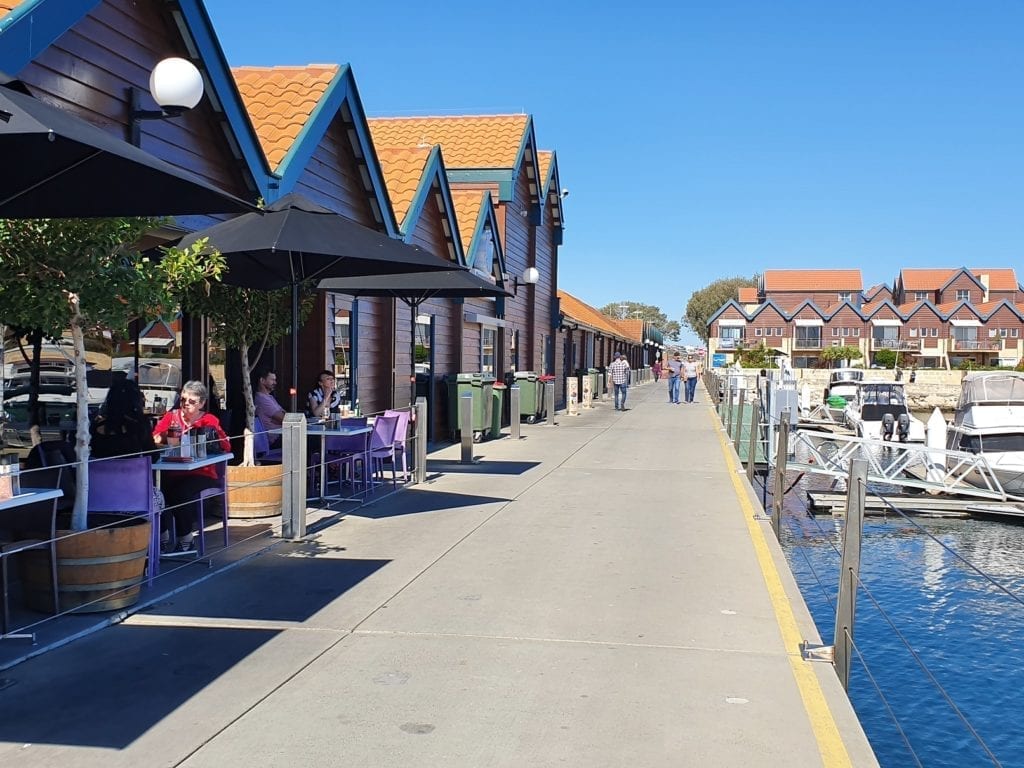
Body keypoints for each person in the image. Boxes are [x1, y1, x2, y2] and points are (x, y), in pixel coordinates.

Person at [152, 380, 230, 553]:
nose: (186, 404)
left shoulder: (209, 420)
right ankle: (162, 535)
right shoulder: (171, 417)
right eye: (183, 400)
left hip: (202, 472)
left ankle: (186, 538)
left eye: (192, 401)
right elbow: (155, 437)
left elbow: (226, 446)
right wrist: (166, 437)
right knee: (157, 491)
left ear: (202, 403)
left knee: (180, 493)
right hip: (173, 469)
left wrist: (208, 439)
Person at [90, 379, 158, 459]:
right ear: (136, 401)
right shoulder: (140, 426)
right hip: (132, 471)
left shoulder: (96, 426)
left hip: (100, 471)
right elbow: (153, 456)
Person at [254, 367, 286, 447]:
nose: (275, 382)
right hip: (274, 440)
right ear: (262, 380)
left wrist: (279, 418)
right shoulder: (262, 399)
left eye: (275, 380)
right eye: (272, 380)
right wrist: (281, 419)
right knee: (312, 440)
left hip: (281, 435)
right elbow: (285, 418)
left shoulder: (269, 397)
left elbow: (285, 415)